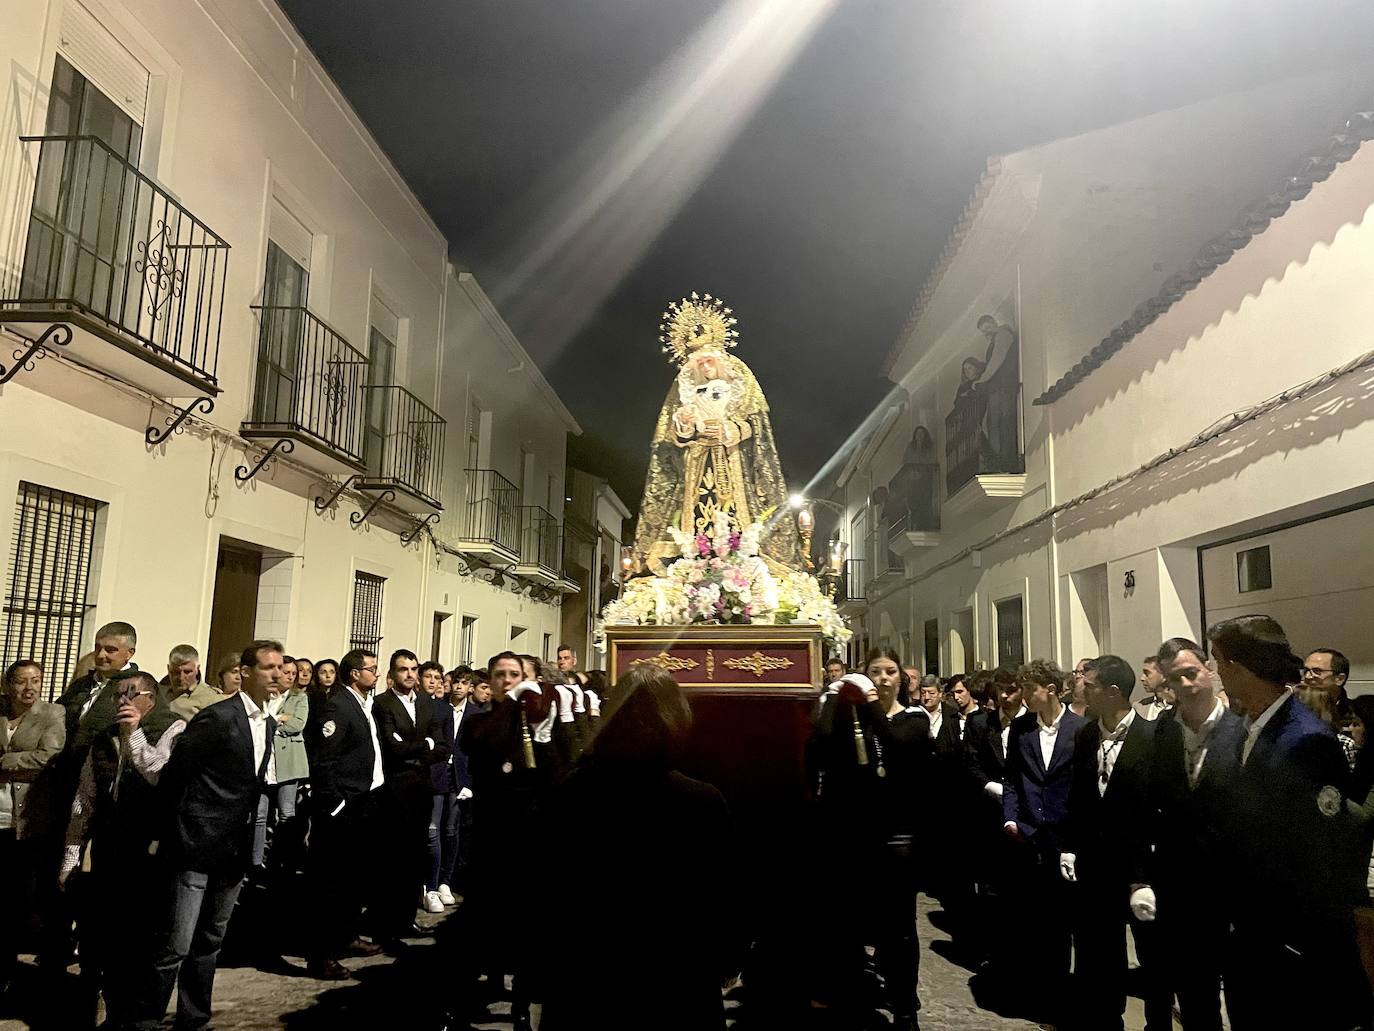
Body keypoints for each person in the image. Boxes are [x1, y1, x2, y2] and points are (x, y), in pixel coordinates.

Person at [539, 665, 739, 1031]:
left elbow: (544, 888)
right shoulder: (701, 802)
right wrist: (728, 958)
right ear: (676, 719)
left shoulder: (569, 794)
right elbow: (724, 894)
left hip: (586, 981)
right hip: (676, 981)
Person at [1208, 616, 1372, 1030]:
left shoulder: (1304, 739)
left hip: (1290, 947)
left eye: (1218, 663)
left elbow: (1322, 853)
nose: (1216, 673)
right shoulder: (1248, 727)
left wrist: (1294, 942)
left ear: (1241, 668)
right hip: (1250, 936)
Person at [130, 641, 281, 1031]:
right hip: (195, 843)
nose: (278, 675)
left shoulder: (267, 722)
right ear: (244, 672)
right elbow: (176, 777)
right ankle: (145, 1018)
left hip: (234, 848)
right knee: (175, 943)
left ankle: (194, 1016)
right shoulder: (217, 717)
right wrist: (168, 833)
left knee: (210, 939)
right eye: (268, 668)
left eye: (280, 668)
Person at [810, 651, 929, 1030]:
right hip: (857, 834)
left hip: (897, 836)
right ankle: (846, 993)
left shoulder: (914, 719)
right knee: (846, 921)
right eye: (874, 672)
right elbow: (824, 744)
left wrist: (872, 702)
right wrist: (831, 699)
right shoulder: (857, 718)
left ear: (902, 680)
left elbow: (895, 743)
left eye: (890, 672)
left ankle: (904, 1004)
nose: (882, 678)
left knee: (899, 929)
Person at [62, 669, 185, 1028]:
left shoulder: (172, 728)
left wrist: (134, 735)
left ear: (150, 698)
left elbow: (157, 771)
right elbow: (84, 800)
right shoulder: (103, 738)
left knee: (139, 937)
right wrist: (70, 856)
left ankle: (133, 1012)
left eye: (131, 695)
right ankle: (100, 1003)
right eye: (118, 696)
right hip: (107, 848)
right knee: (100, 934)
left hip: (148, 850)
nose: (122, 702)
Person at [1062, 654, 1167, 1031]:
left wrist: (1149, 873)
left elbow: (1161, 807)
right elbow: (1078, 796)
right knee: (1099, 954)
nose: (1079, 689)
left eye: (1087, 685)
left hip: (1141, 872)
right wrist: (1070, 846)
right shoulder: (1085, 735)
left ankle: (1158, 1024)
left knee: (1153, 958)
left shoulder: (1152, 738)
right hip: (1095, 867)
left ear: (1112, 692)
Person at [1148, 637, 1246, 1031]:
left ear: (1209, 671)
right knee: (1194, 992)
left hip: (1233, 887)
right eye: (1176, 678)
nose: (1187, 684)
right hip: (1180, 886)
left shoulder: (1242, 730)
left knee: (1242, 992)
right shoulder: (1163, 733)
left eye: (1192, 673)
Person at [454, 652, 549, 1031]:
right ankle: (483, 984)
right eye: (501, 675)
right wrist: (513, 703)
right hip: (491, 835)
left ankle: (521, 1004)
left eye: (516, 675)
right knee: (484, 921)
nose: (508, 680)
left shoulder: (535, 720)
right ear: (490, 682)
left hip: (525, 835)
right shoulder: (482, 722)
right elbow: (482, 744)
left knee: (526, 924)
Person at [1002, 659, 1085, 1021]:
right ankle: (1039, 991)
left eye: (1030, 689)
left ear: (1050, 690)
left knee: (1068, 922)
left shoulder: (1081, 729)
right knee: (1035, 920)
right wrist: (1011, 816)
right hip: (1029, 836)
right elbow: (1012, 779)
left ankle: (1067, 996)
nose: (1024, 697)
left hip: (1066, 838)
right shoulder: (1021, 729)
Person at [302, 649, 385, 980]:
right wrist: (335, 803)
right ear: (355, 674)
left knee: (354, 879)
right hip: (344, 807)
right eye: (372, 669)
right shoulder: (338, 705)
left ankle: (347, 936)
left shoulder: (363, 705)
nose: (376, 675)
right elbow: (325, 760)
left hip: (367, 801)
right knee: (331, 883)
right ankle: (320, 955)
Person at [0, 660, 65, 995]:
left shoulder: (52, 714)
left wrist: (5, 764)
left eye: (36, 680)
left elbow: (48, 756)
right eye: (22, 681)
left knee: (18, 898)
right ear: (8, 685)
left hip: (27, 821)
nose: (29, 688)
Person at [373, 650, 449, 931]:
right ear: (392, 674)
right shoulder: (383, 704)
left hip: (423, 787)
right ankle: (386, 918)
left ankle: (406, 918)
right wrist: (424, 744)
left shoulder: (428, 704)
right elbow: (392, 748)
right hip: (396, 789)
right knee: (394, 855)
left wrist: (420, 749)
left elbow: (442, 746)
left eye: (413, 669)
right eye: (403, 669)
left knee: (416, 855)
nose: (409, 674)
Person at [269, 655, 310, 875]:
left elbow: (297, 724)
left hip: (289, 761)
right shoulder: (268, 695)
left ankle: (286, 861)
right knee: (261, 814)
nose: (291, 677)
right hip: (268, 761)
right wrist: (278, 717)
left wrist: (276, 722)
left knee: (287, 813)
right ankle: (259, 861)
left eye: (294, 674)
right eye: (288, 672)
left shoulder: (299, 698)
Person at [163, 645, 220, 720]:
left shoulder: (211, 699)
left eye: (187, 672)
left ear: (197, 669)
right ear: (168, 668)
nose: (181, 677)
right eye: (175, 672)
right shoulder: (157, 693)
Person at [1135, 656, 1170, 721]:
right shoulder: (1138, 707)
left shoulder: (1182, 708)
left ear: (1164, 675)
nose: (1142, 678)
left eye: (1147, 673)